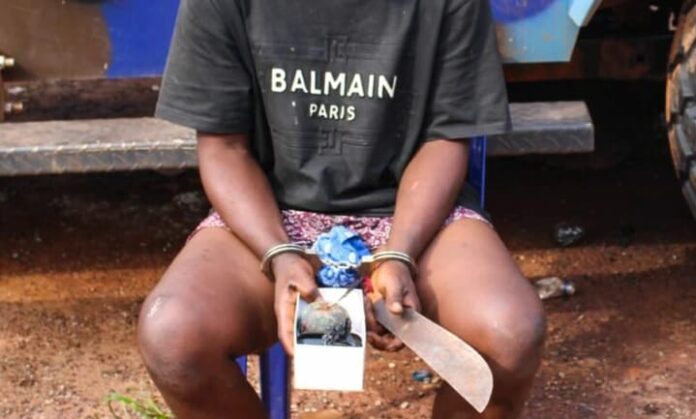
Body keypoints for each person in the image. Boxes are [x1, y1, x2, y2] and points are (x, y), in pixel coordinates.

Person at [137, 0, 546, 417]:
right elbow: (225, 148)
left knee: (509, 337)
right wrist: (280, 254)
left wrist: (398, 253)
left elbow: (445, 139)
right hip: (271, 216)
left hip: (416, 217)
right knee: (173, 336)